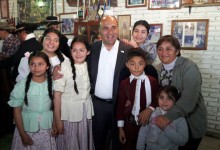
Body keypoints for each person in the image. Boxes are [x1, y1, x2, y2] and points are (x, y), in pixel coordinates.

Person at [155, 35, 207, 150]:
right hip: (167, 122)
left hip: (190, 121)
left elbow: (189, 98)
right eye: (160, 49)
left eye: (168, 49)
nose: (164, 53)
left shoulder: (189, 67)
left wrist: (168, 117)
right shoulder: (157, 69)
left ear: (177, 51)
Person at [89, 15, 132, 150]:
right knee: (98, 141)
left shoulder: (128, 50)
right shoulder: (93, 49)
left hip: (119, 105)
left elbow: (137, 74)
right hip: (97, 105)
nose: (110, 32)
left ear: (118, 30)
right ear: (100, 31)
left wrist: (131, 97)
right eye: (106, 28)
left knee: (118, 142)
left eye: (113, 28)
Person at [8, 51, 57, 150]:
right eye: (32, 64)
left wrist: (55, 124)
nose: (36, 67)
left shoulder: (54, 84)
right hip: (27, 129)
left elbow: (56, 107)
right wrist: (22, 134)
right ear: (29, 66)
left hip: (47, 129)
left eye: (40, 64)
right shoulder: (21, 85)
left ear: (47, 66)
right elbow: (16, 111)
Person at [53, 36, 94, 150]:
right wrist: (58, 120)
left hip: (85, 113)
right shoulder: (63, 68)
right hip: (69, 115)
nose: (78, 53)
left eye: (82, 50)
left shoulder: (90, 66)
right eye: (74, 50)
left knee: (83, 142)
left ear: (88, 51)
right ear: (70, 51)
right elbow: (57, 96)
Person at [116, 48, 159, 150]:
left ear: (145, 64)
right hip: (129, 125)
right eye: (132, 64)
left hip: (147, 124)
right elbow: (120, 105)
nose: (136, 67)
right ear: (127, 65)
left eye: (140, 64)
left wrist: (150, 109)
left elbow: (157, 99)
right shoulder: (124, 83)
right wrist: (120, 128)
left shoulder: (152, 81)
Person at [136, 85, 188, 150]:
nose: (164, 101)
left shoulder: (180, 118)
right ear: (157, 98)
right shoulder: (152, 114)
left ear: (176, 101)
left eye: (169, 98)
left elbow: (183, 141)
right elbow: (143, 133)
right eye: (161, 97)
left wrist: (166, 128)